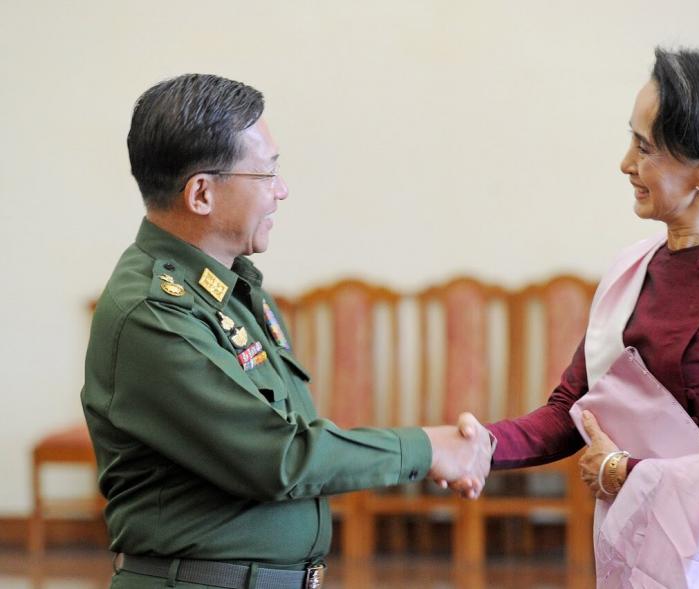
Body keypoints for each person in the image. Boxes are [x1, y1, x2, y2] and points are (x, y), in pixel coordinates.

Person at [80, 73, 491, 589]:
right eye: (266, 173)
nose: (282, 190)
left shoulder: (230, 288)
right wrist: (429, 449)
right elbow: (277, 456)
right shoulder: (155, 311)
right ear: (201, 193)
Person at [464, 48, 699, 587]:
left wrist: (623, 472)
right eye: (632, 139)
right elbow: (571, 411)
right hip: (638, 551)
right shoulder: (634, 268)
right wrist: (476, 445)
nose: (626, 162)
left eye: (645, 147)